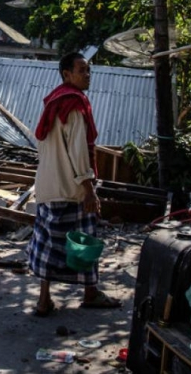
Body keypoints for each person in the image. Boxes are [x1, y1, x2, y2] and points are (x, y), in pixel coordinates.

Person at [27, 52, 121, 316]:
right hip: (71, 190)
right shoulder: (75, 106)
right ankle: (90, 293)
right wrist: (89, 190)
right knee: (85, 241)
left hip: (47, 187)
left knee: (46, 244)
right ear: (67, 74)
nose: (87, 75)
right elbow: (80, 152)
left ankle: (44, 300)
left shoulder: (53, 102)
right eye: (81, 70)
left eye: (88, 70)